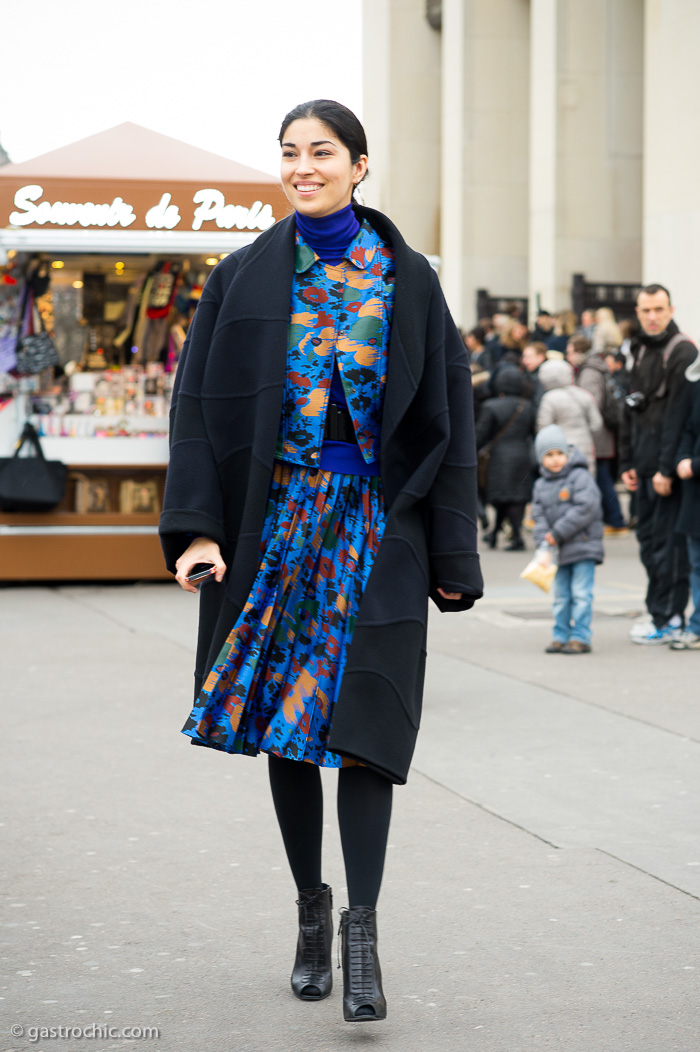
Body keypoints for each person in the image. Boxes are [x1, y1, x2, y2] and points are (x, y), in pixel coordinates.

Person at [158, 99, 484, 1023]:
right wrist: (199, 532)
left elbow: (449, 423)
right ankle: (311, 911)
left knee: (369, 729)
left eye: (323, 152)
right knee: (291, 727)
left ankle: (364, 934)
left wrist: (452, 550)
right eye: (291, 153)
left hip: (379, 527)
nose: (304, 166)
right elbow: (198, 414)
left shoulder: (409, 279)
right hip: (278, 525)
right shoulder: (241, 277)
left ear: (360, 165)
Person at [618, 284, 697, 645]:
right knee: (649, 543)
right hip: (643, 463)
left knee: (670, 547)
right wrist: (628, 462)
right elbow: (630, 412)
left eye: (659, 309)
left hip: (666, 470)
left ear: (670, 309)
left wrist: (666, 469)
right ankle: (658, 613)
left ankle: (668, 618)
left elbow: (678, 417)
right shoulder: (635, 348)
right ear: (637, 311)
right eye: (646, 310)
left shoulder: (682, 351)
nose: (652, 316)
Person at [532, 425, 604, 654]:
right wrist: (543, 541)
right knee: (562, 596)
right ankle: (560, 635)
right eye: (549, 455)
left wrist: (557, 533)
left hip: (583, 546)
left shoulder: (580, 477)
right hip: (558, 551)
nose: (555, 460)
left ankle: (581, 636)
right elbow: (538, 515)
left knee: (581, 594)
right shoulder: (540, 485)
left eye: (559, 453)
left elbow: (586, 508)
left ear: (567, 452)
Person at [476, 366, 535, 551]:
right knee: (515, 497)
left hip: (499, 457)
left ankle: (516, 537)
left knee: (503, 497)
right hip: (522, 455)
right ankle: (497, 534)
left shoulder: (491, 406)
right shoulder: (528, 406)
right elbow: (533, 432)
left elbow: (480, 435)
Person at [574, 340, 627, 533]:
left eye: (570, 351)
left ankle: (616, 520)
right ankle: (614, 519)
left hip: (597, 435)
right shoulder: (598, 369)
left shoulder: (589, 372)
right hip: (603, 433)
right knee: (603, 477)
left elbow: (591, 404)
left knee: (602, 477)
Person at [671, 354, 700, 650]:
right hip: (695, 492)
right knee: (697, 565)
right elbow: (689, 428)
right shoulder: (696, 384)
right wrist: (682, 460)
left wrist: (694, 464)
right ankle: (697, 627)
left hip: (695, 475)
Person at [536, 359, 603, 475]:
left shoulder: (549, 398)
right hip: (586, 447)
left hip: (559, 451)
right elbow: (597, 424)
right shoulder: (583, 394)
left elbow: (543, 428)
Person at [521, 340, 548, 408]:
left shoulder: (545, 377)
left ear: (541, 357)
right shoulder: (525, 374)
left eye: (529, 357)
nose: (524, 360)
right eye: (524, 357)